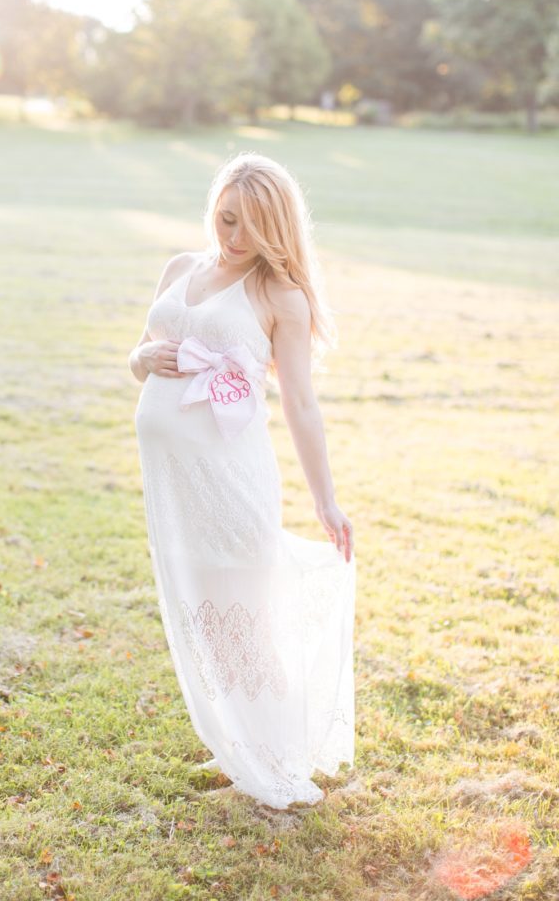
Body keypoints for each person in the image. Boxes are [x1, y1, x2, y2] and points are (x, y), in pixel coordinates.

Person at [129, 151, 356, 811]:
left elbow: (300, 404)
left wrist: (326, 500)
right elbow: (139, 354)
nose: (233, 239)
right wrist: (142, 356)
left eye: (250, 228)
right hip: (171, 483)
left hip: (230, 480)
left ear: (275, 231)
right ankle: (239, 743)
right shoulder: (178, 268)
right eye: (226, 219)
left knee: (247, 621)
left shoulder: (278, 297)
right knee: (204, 612)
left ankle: (277, 758)